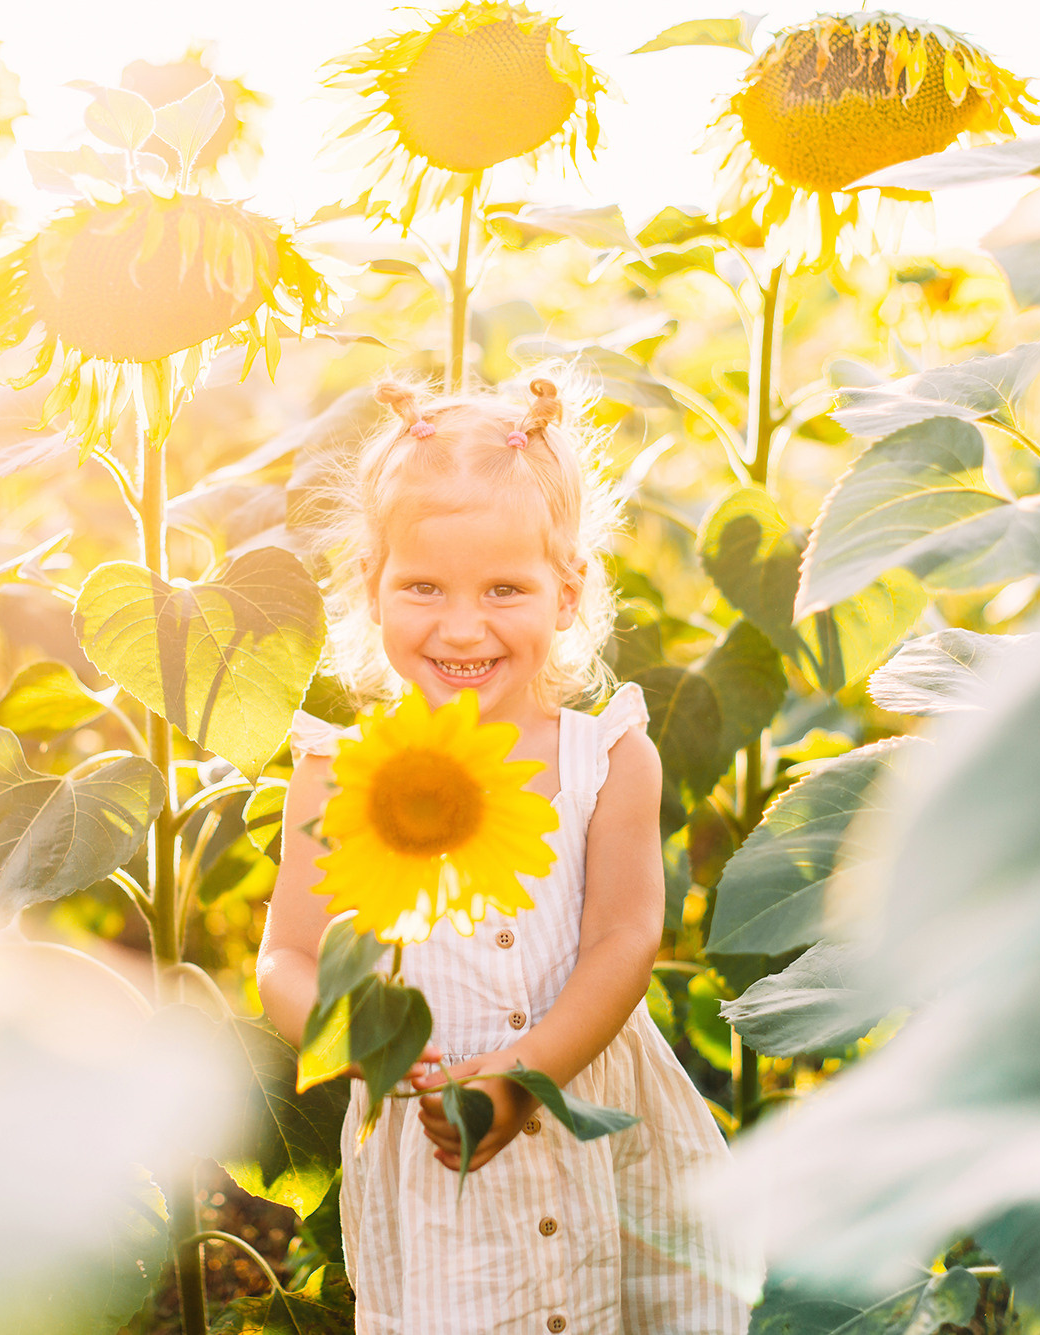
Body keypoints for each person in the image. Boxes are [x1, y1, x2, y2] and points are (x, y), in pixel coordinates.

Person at [255, 375, 751, 1334]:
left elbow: (624, 938)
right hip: (434, 1134)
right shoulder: (336, 774)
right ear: (370, 584)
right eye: (423, 586)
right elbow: (287, 956)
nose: (462, 625)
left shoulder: (607, 759)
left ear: (568, 592)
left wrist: (528, 1076)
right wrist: (354, 1039)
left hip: (584, 1108)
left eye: (505, 589)